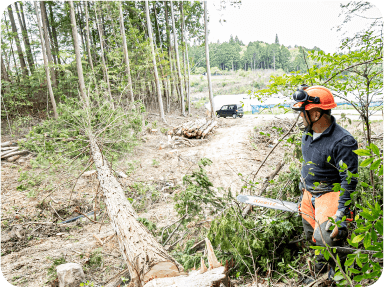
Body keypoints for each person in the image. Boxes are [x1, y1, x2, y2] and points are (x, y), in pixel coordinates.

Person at [291, 85, 358, 281]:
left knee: (327, 237)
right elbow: (308, 162)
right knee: (311, 233)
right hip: (310, 192)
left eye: (303, 113)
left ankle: (344, 271)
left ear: (316, 113)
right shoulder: (308, 133)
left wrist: (340, 214)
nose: (300, 117)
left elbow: (349, 179)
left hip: (330, 193)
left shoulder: (343, 141)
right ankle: (321, 273)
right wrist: (304, 186)